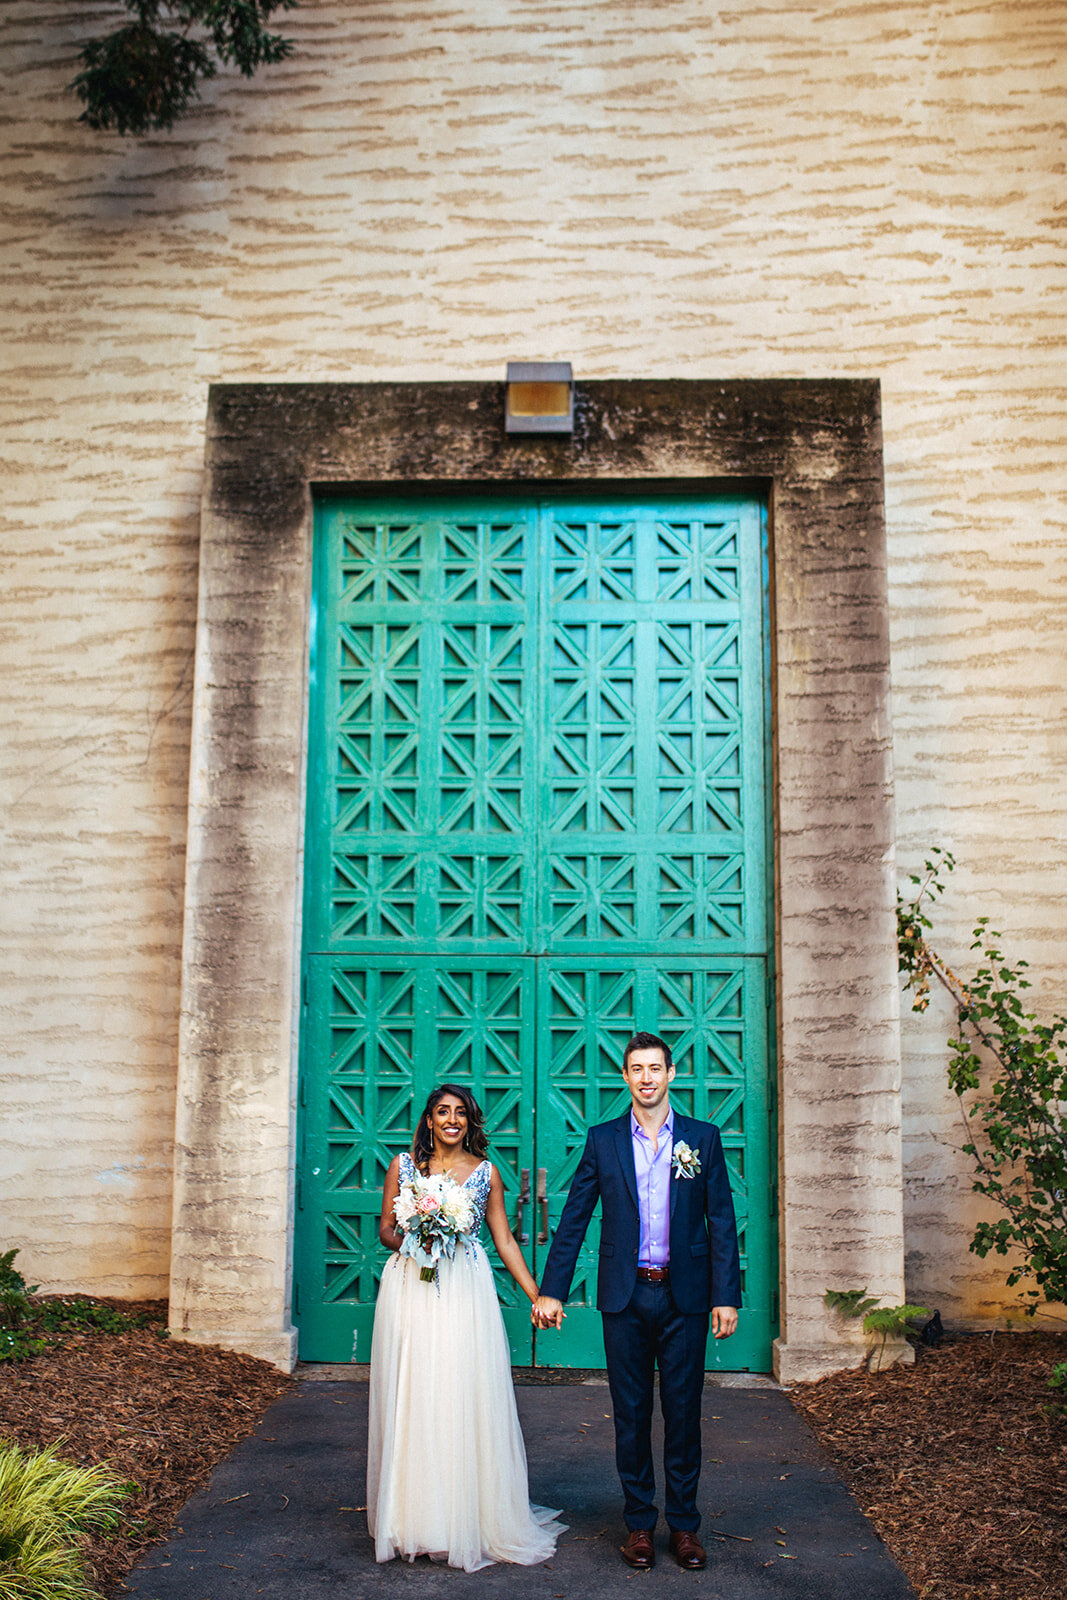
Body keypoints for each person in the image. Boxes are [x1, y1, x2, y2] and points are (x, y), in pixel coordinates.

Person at [532, 1032, 741, 1572]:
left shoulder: (702, 1138)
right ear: (625, 1077)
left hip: (685, 1296)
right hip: (625, 1297)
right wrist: (551, 1288)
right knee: (630, 1414)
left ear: (672, 1074)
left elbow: (721, 1221)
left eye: (656, 1068)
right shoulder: (603, 1140)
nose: (647, 1078)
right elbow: (575, 1216)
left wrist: (726, 1296)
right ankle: (641, 1525)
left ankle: (686, 1527)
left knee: (683, 1413)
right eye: (636, 1069)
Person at [367, 1082, 565, 1571]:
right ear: (429, 1120)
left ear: (469, 1121)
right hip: (412, 1284)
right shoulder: (402, 1166)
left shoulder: (486, 1173)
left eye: (459, 1113)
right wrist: (418, 1235)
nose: (451, 1119)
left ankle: (465, 1516)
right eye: (441, 1112)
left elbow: (504, 1242)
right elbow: (386, 1230)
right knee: (415, 1392)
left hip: (463, 1290)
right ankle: (414, 1520)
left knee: (458, 1391)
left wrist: (536, 1294)